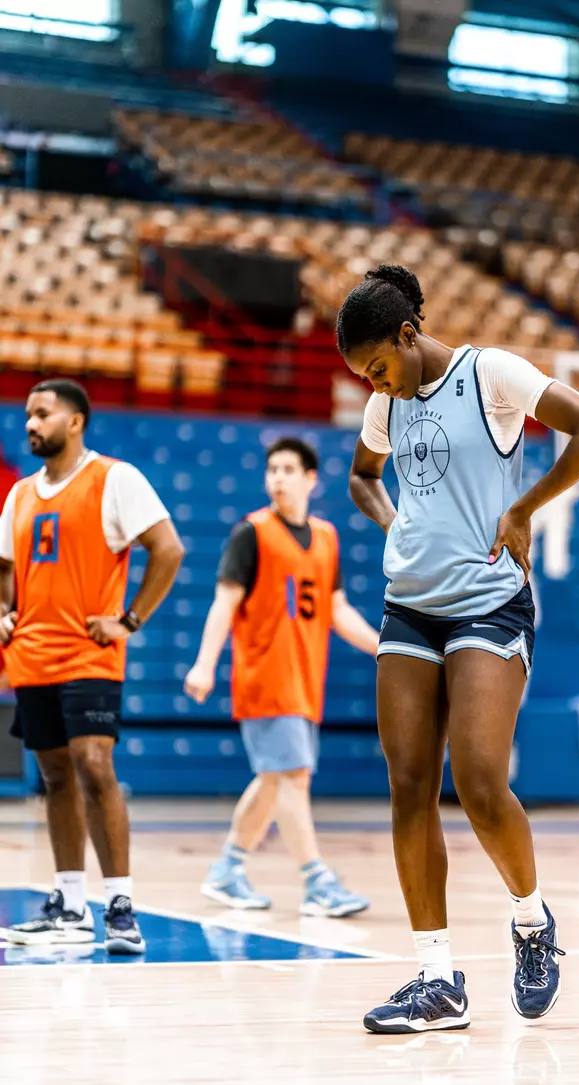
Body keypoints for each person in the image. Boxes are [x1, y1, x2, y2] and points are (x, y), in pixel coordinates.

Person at [338, 265, 579, 1032]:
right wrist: (393, 521)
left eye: (379, 367)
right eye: (366, 377)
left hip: (489, 605)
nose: (377, 384)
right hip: (410, 607)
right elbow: (362, 478)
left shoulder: (487, 373)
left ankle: (533, 925)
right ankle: (438, 979)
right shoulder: (384, 407)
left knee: (481, 781)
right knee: (408, 783)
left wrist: (525, 507)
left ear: (408, 335)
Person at [0, 380, 184, 954]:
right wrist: (3, 611)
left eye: (42, 413)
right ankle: (70, 903)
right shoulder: (20, 496)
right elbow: (5, 569)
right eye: (28, 415)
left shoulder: (115, 478)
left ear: (75, 421)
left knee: (93, 762)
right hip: (31, 655)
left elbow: (169, 548)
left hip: (88, 653)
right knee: (53, 776)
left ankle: (121, 905)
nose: (31, 423)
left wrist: (129, 621)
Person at [184, 436, 378, 917]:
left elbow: (336, 610)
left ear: (311, 479)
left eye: (289, 469)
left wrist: (382, 647)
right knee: (293, 778)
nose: (278, 478)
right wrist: (205, 662)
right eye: (272, 469)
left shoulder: (327, 538)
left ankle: (227, 870)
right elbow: (224, 602)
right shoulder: (251, 533)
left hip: (306, 680)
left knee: (275, 781)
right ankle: (317, 882)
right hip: (265, 678)